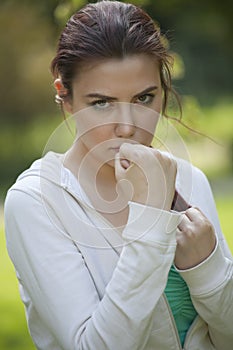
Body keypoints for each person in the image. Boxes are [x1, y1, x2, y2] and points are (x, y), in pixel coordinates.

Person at [4, 1, 233, 349]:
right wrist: (152, 225)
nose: (127, 127)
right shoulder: (36, 202)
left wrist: (207, 268)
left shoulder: (188, 180)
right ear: (65, 99)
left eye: (144, 98)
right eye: (101, 103)